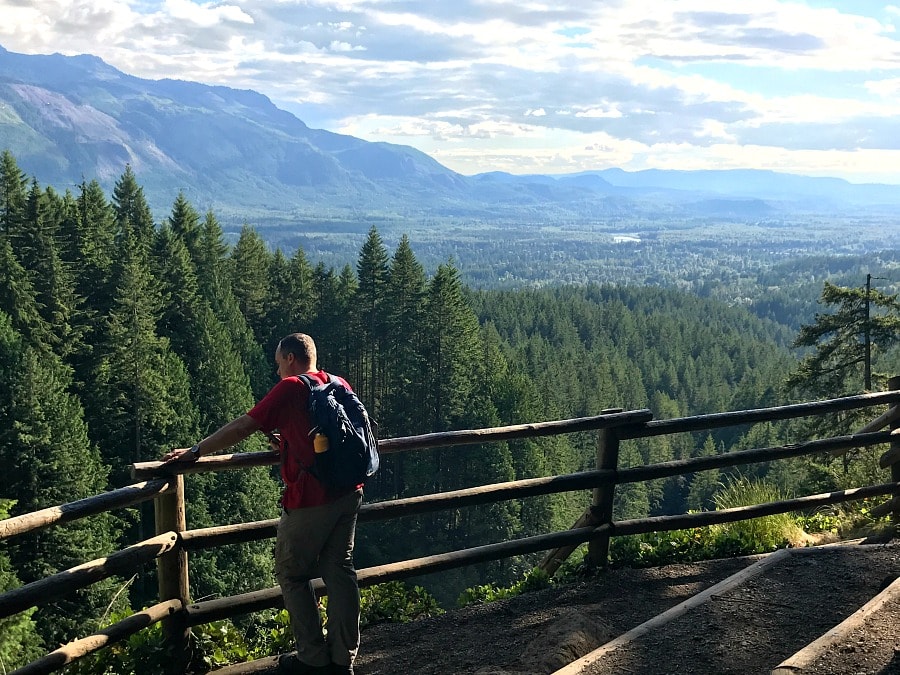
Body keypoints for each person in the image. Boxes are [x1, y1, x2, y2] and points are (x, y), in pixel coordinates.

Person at [163, 333, 362, 675]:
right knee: (338, 570)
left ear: (289, 358)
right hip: (349, 490)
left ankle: (313, 659)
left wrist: (197, 451)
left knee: (291, 572)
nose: (276, 370)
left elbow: (243, 426)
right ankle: (343, 659)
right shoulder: (335, 381)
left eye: (277, 362)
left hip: (311, 498)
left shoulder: (291, 388)